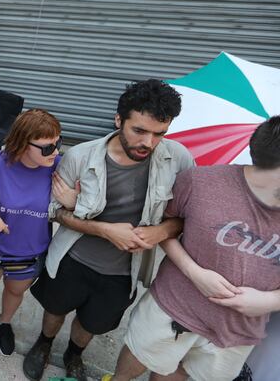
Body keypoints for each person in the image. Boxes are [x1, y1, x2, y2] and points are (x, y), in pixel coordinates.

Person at [23, 79, 195, 381]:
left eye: (160, 134)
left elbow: (186, 215)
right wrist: (104, 230)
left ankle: (74, 355)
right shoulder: (81, 156)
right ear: (119, 120)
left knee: (93, 323)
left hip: (122, 272)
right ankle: (44, 343)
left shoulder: (178, 160)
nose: (149, 143)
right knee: (55, 308)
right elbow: (52, 210)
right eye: (139, 131)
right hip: (72, 259)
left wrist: (162, 231)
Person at [104, 116, 280, 381]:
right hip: (174, 306)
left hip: (238, 331)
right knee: (142, 356)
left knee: (183, 373)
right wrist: (195, 272)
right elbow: (163, 226)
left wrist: (270, 301)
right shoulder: (200, 182)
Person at [0, 108, 77, 356]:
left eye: (58, 143)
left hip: (29, 252)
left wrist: (73, 201)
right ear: (21, 143)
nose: (56, 151)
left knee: (15, 291)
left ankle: (5, 322)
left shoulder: (60, 168)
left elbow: (83, 205)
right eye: (47, 147)